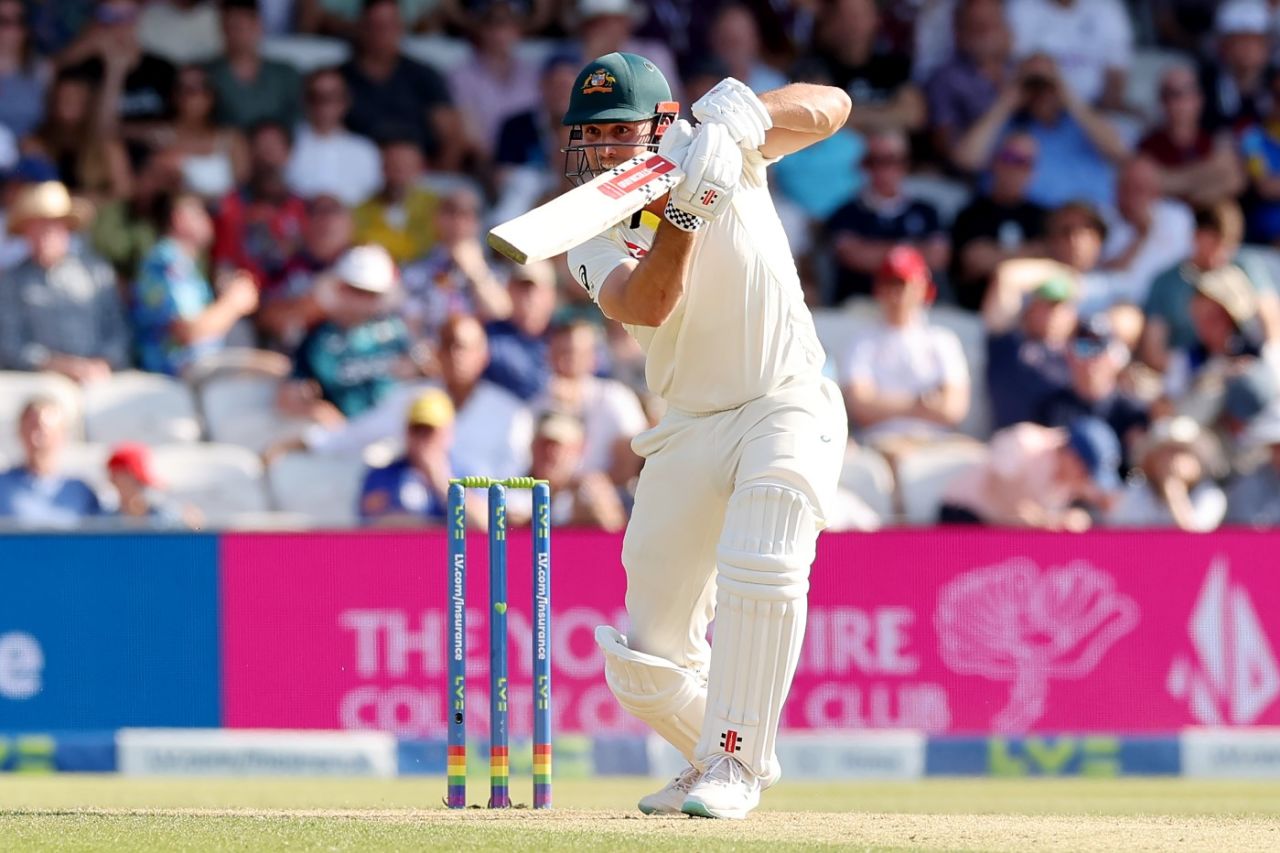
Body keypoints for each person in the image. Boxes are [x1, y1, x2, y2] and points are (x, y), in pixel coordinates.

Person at [562, 53, 850, 818]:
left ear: (662, 123)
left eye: (617, 132)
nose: (598, 149)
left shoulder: (725, 146)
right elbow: (649, 303)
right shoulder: (585, 230)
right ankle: (727, 749)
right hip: (688, 422)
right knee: (643, 661)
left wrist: (748, 112)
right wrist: (684, 214)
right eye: (587, 134)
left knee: (767, 552)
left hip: (783, 398)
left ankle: (732, 764)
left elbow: (835, 104)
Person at [0, 180, 131, 380]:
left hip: (101, 377)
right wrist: (58, 366)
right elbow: (10, 345)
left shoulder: (96, 270)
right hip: (39, 382)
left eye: (51, 226)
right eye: (37, 227)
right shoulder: (11, 281)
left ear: (66, 229)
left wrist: (104, 362)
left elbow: (119, 329)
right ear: (26, 233)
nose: (45, 235)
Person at [132, 191, 259, 375]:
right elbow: (190, 332)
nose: (210, 220)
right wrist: (234, 303)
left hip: (197, 372)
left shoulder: (185, 264)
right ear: (180, 219)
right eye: (202, 213)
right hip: (172, 376)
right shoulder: (167, 261)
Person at [937, 416, 1121, 529]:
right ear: (1072, 457)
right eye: (1086, 473)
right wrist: (1048, 521)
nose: (1087, 481)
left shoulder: (1072, 477)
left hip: (1000, 537)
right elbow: (998, 489)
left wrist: (1079, 520)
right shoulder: (1025, 443)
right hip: (964, 517)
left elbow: (1104, 501)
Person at [357, 388, 483, 527]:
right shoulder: (381, 475)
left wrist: (441, 483)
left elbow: (483, 524)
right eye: (417, 429)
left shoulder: (467, 474)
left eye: (430, 430)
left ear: (448, 433)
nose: (423, 438)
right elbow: (370, 526)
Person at [1105, 415, 1226, 531]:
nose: (1172, 461)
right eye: (1166, 453)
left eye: (1180, 452)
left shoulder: (1210, 496)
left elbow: (1194, 541)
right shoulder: (1136, 492)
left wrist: (1174, 490)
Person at [0, 397, 102, 527]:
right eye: (30, 426)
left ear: (62, 434)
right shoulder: (2, 485)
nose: (36, 435)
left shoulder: (81, 490)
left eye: (43, 428)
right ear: (20, 431)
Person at [105, 441, 189, 527]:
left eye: (139, 480)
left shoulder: (167, 517)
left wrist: (194, 528)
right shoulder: (104, 520)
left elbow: (197, 529)